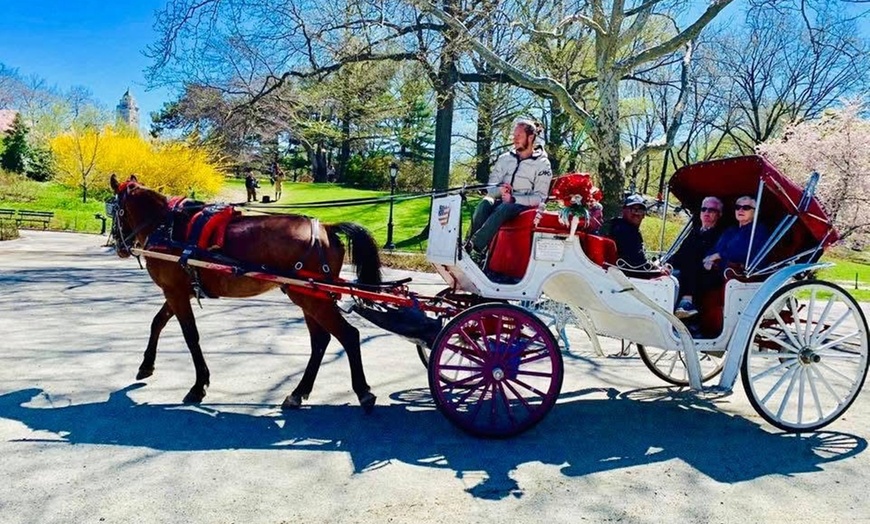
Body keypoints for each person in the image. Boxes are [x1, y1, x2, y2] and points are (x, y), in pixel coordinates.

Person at [465, 119, 553, 263]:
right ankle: (466, 246)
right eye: (514, 135)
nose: (515, 139)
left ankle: (476, 248)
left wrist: (513, 199)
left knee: (505, 207)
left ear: (530, 137)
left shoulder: (542, 164)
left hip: (523, 205)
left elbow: (540, 197)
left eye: (519, 136)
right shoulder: (504, 158)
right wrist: (499, 190)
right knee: (485, 203)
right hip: (502, 200)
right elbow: (491, 187)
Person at [672, 196, 725, 319]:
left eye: (711, 210)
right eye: (703, 209)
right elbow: (679, 254)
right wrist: (664, 265)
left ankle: (687, 301)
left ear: (719, 214)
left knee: (692, 261)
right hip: (689, 270)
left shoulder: (721, 235)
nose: (706, 213)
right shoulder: (695, 232)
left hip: (709, 273)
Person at [703, 195, 770, 275]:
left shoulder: (759, 230)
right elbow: (715, 248)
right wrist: (708, 258)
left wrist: (718, 255)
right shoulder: (731, 230)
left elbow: (740, 251)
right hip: (721, 273)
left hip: (745, 276)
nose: (740, 210)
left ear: (756, 212)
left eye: (746, 208)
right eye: (738, 207)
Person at [604, 194, 649, 269]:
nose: (636, 213)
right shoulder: (624, 231)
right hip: (624, 272)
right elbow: (637, 262)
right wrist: (657, 268)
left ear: (644, 214)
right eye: (632, 209)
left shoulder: (630, 229)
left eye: (640, 210)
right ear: (624, 210)